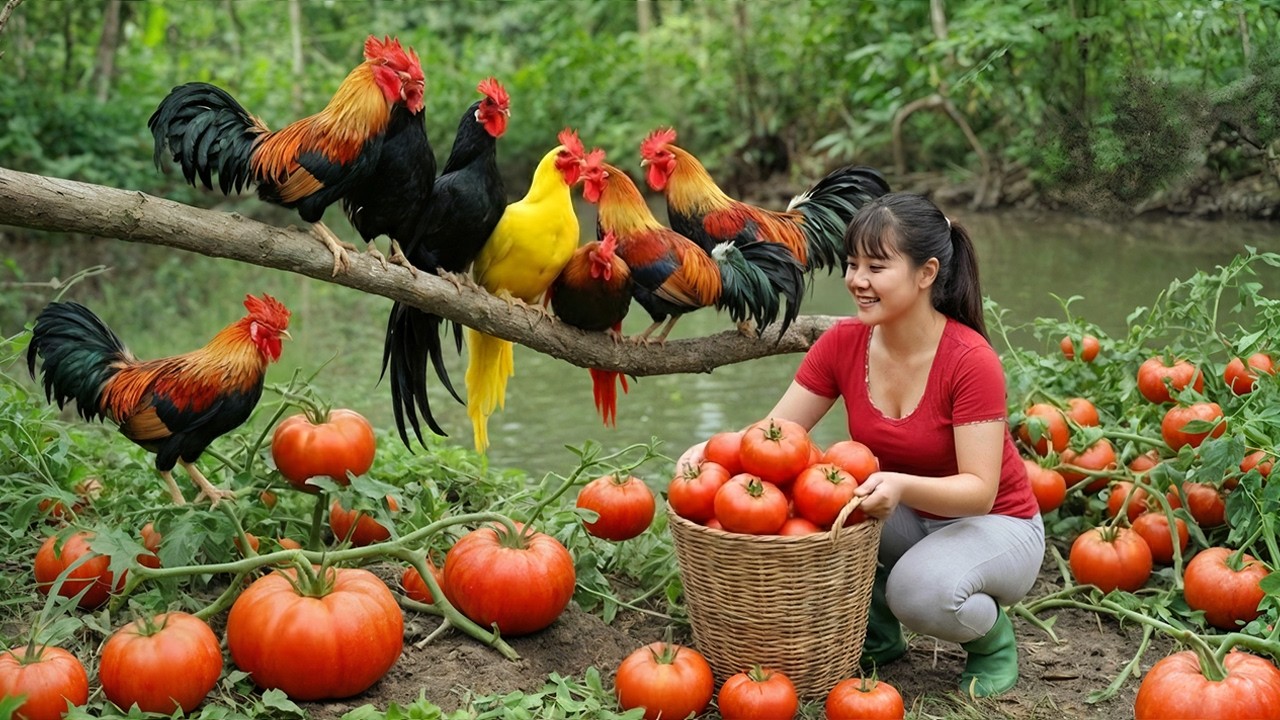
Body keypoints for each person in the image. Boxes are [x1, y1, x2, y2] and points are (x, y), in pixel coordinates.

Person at [681, 192, 1045, 698]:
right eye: (852, 264)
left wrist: (896, 483)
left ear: (926, 274)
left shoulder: (969, 359)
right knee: (816, 503)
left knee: (918, 593)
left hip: (996, 526)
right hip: (905, 511)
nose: (856, 279)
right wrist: (711, 455)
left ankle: (992, 640)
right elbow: (775, 436)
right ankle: (876, 632)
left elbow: (980, 491)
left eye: (876, 266)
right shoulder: (843, 344)